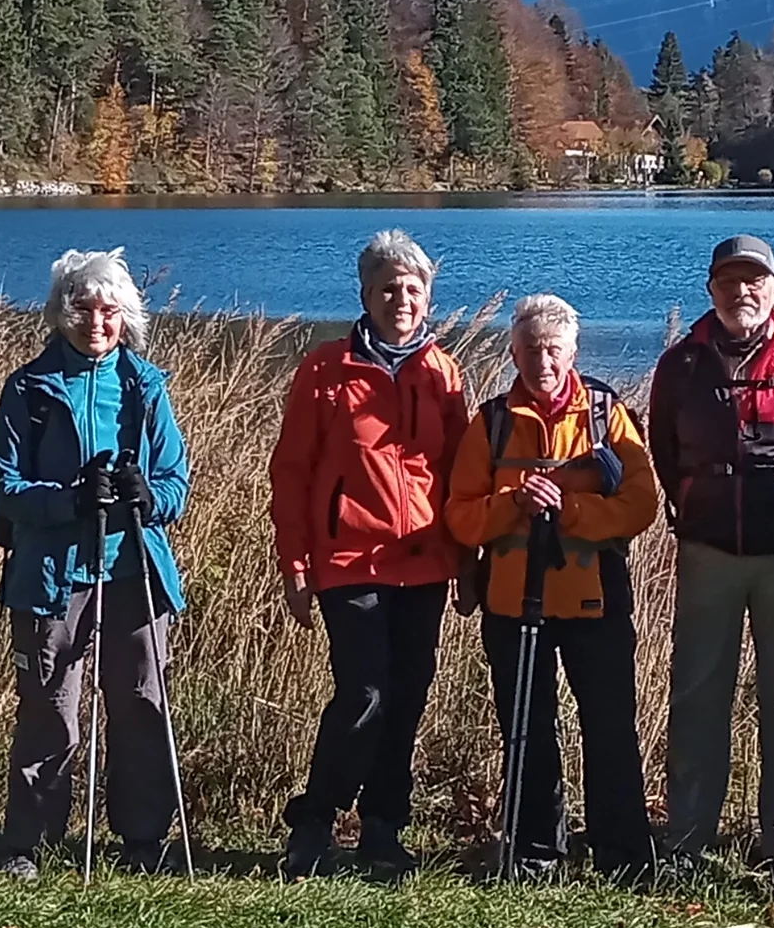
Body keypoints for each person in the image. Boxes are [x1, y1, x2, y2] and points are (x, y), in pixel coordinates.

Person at [268, 229, 469, 879]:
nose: (400, 300)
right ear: (365, 295)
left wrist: (465, 562)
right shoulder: (326, 368)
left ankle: (383, 827)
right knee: (363, 693)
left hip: (425, 563)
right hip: (349, 560)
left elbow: (461, 475)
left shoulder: (443, 371)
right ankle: (315, 820)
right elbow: (292, 472)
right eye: (388, 289)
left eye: (412, 289)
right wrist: (295, 563)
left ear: (428, 298)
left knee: (407, 696)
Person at [0, 248, 192, 880]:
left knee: (139, 705)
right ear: (59, 312)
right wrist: (71, 498)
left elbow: (176, 486)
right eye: (82, 307)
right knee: (51, 709)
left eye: (109, 310)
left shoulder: (146, 386)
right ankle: (33, 840)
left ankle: (143, 840)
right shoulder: (29, 389)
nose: (96, 321)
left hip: (132, 569)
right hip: (53, 576)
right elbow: (4, 489)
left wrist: (144, 494)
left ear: (126, 317)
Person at [649, 234, 774, 887]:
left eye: (754, 281)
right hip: (707, 551)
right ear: (711, 290)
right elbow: (662, 450)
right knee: (699, 692)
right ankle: (686, 838)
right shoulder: (680, 366)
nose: (742, 292)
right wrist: (689, 505)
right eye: (729, 282)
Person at [447, 294, 659, 881]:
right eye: (532, 349)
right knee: (526, 730)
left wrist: (572, 510)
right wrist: (513, 504)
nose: (543, 360)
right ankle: (537, 852)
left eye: (554, 349)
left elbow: (642, 501)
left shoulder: (605, 413)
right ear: (513, 352)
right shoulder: (490, 423)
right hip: (514, 601)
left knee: (611, 725)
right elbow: (460, 516)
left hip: (596, 598)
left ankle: (624, 856)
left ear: (573, 351)